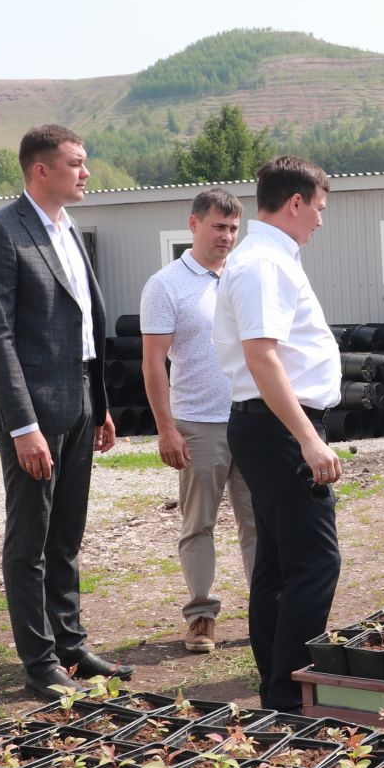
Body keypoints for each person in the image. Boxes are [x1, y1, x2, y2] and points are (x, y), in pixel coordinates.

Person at [0, 123, 132, 701]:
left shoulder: (70, 232)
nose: (86, 173)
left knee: (66, 535)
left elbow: (86, 329)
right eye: (76, 164)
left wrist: (102, 406)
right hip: (34, 415)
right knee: (30, 540)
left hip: (81, 403)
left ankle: (70, 644)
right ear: (41, 170)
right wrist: (22, 426)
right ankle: (39, 661)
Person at [213, 155, 342, 712]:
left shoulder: (264, 256)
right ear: (295, 202)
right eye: (318, 207)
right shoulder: (265, 263)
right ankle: (290, 695)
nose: (320, 220)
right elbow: (262, 358)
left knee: (277, 563)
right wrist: (308, 440)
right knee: (315, 563)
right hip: (280, 428)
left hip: (267, 426)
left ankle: (275, 683)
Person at [141, 187, 259, 652]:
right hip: (198, 424)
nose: (227, 236)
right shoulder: (166, 284)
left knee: (258, 522)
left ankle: (263, 610)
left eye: (233, 228)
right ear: (193, 224)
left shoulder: (245, 277)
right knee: (198, 523)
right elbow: (153, 362)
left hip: (252, 417)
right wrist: (166, 427)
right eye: (218, 226)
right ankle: (201, 615)